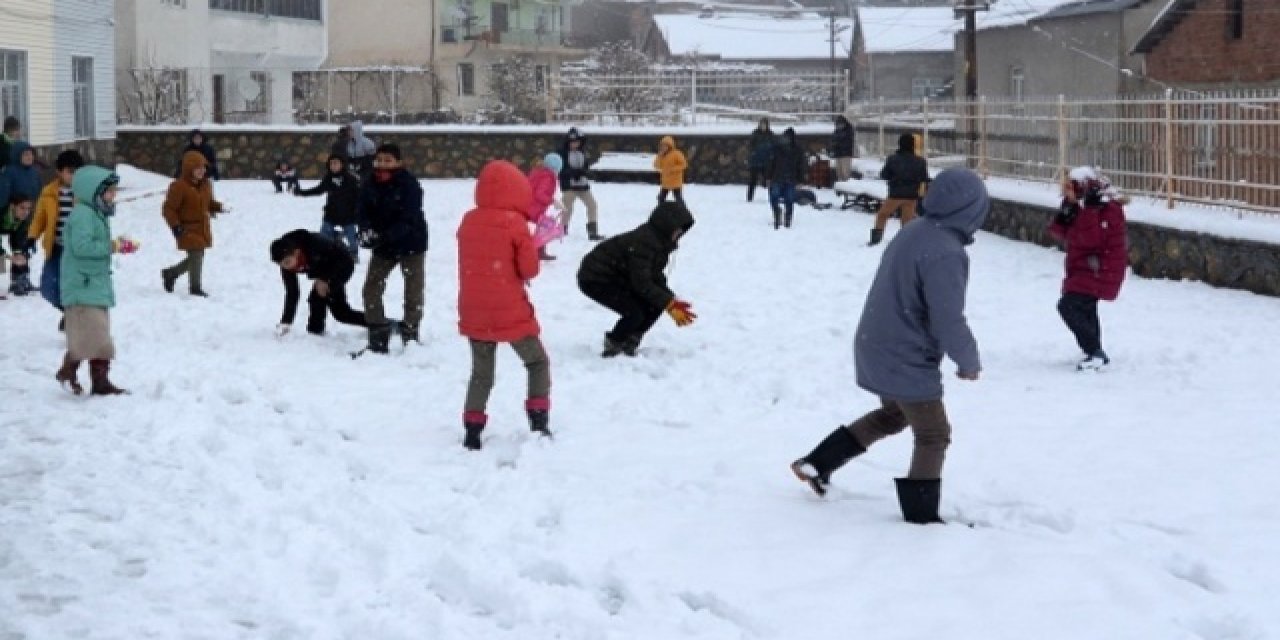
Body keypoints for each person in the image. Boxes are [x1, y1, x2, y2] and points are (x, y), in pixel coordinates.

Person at [789, 168, 988, 525]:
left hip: (876, 342)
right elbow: (947, 318)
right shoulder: (945, 252)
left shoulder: (915, 230)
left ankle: (817, 463)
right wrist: (967, 360)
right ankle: (921, 519)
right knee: (933, 434)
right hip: (904, 353)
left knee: (894, 414)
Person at [456, 160, 553, 451]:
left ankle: (472, 430)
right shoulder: (515, 223)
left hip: (473, 307)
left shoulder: (468, 220)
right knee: (536, 362)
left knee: (481, 373)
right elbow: (529, 270)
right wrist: (534, 244)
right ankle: (538, 421)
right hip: (509, 308)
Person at [577, 201, 697, 358]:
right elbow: (641, 283)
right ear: (666, 226)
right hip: (595, 277)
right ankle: (614, 343)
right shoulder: (644, 242)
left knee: (656, 304)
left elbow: (654, 276)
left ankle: (631, 340)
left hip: (619, 276)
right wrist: (668, 302)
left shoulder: (659, 243)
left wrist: (671, 301)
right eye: (677, 229)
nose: (679, 234)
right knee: (634, 312)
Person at [57, 166, 133, 396]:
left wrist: (115, 244)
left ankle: (81, 374)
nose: (113, 196)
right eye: (109, 192)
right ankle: (90, 379)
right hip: (83, 284)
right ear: (94, 191)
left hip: (94, 283)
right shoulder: (83, 214)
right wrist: (111, 246)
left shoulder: (96, 213)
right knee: (96, 337)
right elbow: (81, 247)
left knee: (94, 335)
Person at [1050, 167, 1128, 371]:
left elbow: (1090, 239)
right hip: (1085, 266)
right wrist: (1065, 214)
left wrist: (1089, 212)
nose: (1066, 192)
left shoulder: (1107, 208)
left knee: (1068, 306)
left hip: (1099, 267)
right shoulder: (1080, 206)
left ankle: (1095, 352)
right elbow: (1061, 233)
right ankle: (1094, 351)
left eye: (1069, 188)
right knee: (1086, 308)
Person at [357, 143, 427, 353]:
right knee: (371, 288)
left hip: (411, 244)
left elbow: (410, 218)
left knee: (413, 290)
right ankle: (377, 334)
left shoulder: (410, 184)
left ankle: (411, 335)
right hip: (382, 246)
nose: (382, 164)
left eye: (388, 160)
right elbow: (361, 210)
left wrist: (384, 236)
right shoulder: (368, 182)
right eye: (379, 159)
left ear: (399, 162)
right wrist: (365, 230)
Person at [270, 229, 367, 337]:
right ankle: (315, 333)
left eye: (287, 262)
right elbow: (292, 291)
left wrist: (325, 279)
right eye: (282, 265)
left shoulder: (315, 244)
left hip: (342, 264)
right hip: (323, 270)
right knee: (327, 305)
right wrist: (286, 322)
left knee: (337, 310)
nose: (285, 267)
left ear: (297, 252)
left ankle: (378, 323)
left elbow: (345, 261)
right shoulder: (286, 262)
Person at [28, 150, 85, 321]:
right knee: (48, 289)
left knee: (77, 287)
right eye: (70, 171)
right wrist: (31, 238)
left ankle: (77, 318)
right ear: (59, 172)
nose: (74, 176)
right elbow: (39, 220)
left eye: (77, 171)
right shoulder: (48, 193)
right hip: (57, 248)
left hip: (78, 250)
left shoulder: (86, 193)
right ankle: (70, 313)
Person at [162, 150, 225, 297]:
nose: (201, 171)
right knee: (196, 255)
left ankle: (170, 273)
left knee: (197, 256)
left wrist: (220, 207)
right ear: (189, 169)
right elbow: (169, 209)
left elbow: (208, 203)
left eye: (203, 167)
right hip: (186, 227)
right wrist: (175, 226)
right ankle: (195, 287)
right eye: (198, 168)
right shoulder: (179, 186)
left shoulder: (206, 185)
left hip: (202, 226)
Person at [295, 154, 361, 263]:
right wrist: (302, 192)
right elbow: (319, 190)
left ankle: (353, 253)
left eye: (336, 163)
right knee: (324, 234)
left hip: (348, 213)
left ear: (342, 165)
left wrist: (358, 210)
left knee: (351, 236)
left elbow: (359, 196)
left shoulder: (350, 179)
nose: (333, 166)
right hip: (331, 212)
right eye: (331, 163)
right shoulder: (328, 178)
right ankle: (327, 250)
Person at [871, 132, 929, 246]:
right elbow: (924, 178)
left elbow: (884, 175)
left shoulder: (892, 159)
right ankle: (906, 241)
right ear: (913, 145)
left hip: (895, 195)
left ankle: (876, 238)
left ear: (899, 144)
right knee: (906, 220)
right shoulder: (920, 161)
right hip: (911, 196)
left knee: (882, 215)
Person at [556, 127, 603, 241]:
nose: (574, 144)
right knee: (567, 208)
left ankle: (593, 232)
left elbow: (585, 166)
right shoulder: (562, 153)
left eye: (577, 142)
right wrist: (574, 172)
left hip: (582, 184)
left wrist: (587, 173)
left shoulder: (582, 152)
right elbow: (561, 170)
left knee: (592, 205)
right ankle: (562, 229)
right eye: (572, 142)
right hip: (569, 185)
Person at [527, 152, 564, 262]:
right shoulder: (548, 177)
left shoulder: (539, 172)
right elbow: (540, 194)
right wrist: (552, 201)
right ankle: (537, 252)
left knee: (540, 228)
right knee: (543, 228)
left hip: (529, 205)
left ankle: (538, 251)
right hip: (534, 207)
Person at [767, 128, 807, 230]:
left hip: (790, 178)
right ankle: (777, 213)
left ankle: (787, 218)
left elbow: (801, 166)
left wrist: (801, 180)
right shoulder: (776, 148)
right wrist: (768, 177)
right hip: (777, 177)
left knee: (789, 199)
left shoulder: (797, 150)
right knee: (774, 197)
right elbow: (771, 164)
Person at [1, 195, 35, 295]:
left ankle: (19, 280)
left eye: (28, 208)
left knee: (23, 249)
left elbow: (18, 238)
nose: (26, 212)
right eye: (22, 207)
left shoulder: (23, 219)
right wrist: (7, 256)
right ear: (12, 206)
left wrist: (18, 253)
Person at [0, 141, 43, 210]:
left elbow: (41, 191)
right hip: (17, 212)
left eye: (31, 154)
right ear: (17, 156)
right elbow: (2, 197)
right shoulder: (9, 172)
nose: (30, 157)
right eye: (26, 154)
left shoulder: (34, 171)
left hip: (33, 209)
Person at [653, 135, 688, 204]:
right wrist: (659, 156)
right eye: (662, 146)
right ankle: (661, 208)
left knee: (678, 197)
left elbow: (684, 164)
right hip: (665, 181)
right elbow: (656, 166)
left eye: (665, 146)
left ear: (670, 146)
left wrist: (673, 169)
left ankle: (682, 209)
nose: (663, 147)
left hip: (676, 181)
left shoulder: (677, 154)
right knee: (661, 197)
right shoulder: (661, 155)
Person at [747, 118, 774, 202]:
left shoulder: (770, 134)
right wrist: (754, 153)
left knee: (769, 180)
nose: (763, 126)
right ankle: (750, 197)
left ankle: (772, 197)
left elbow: (774, 146)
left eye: (764, 124)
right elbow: (750, 145)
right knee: (752, 181)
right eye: (762, 124)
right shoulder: (755, 134)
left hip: (766, 161)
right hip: (755, 161)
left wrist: (771, 156)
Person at [832, 114, 856, 183]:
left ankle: (847, 184)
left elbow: (847, 141)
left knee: (845, 172)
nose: (838, 126)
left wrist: (838, 143)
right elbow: (833, 139)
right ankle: (840, 184)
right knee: (839, 172)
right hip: (838, 153)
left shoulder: (848, 131)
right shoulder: (837, 131)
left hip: (845, 154)